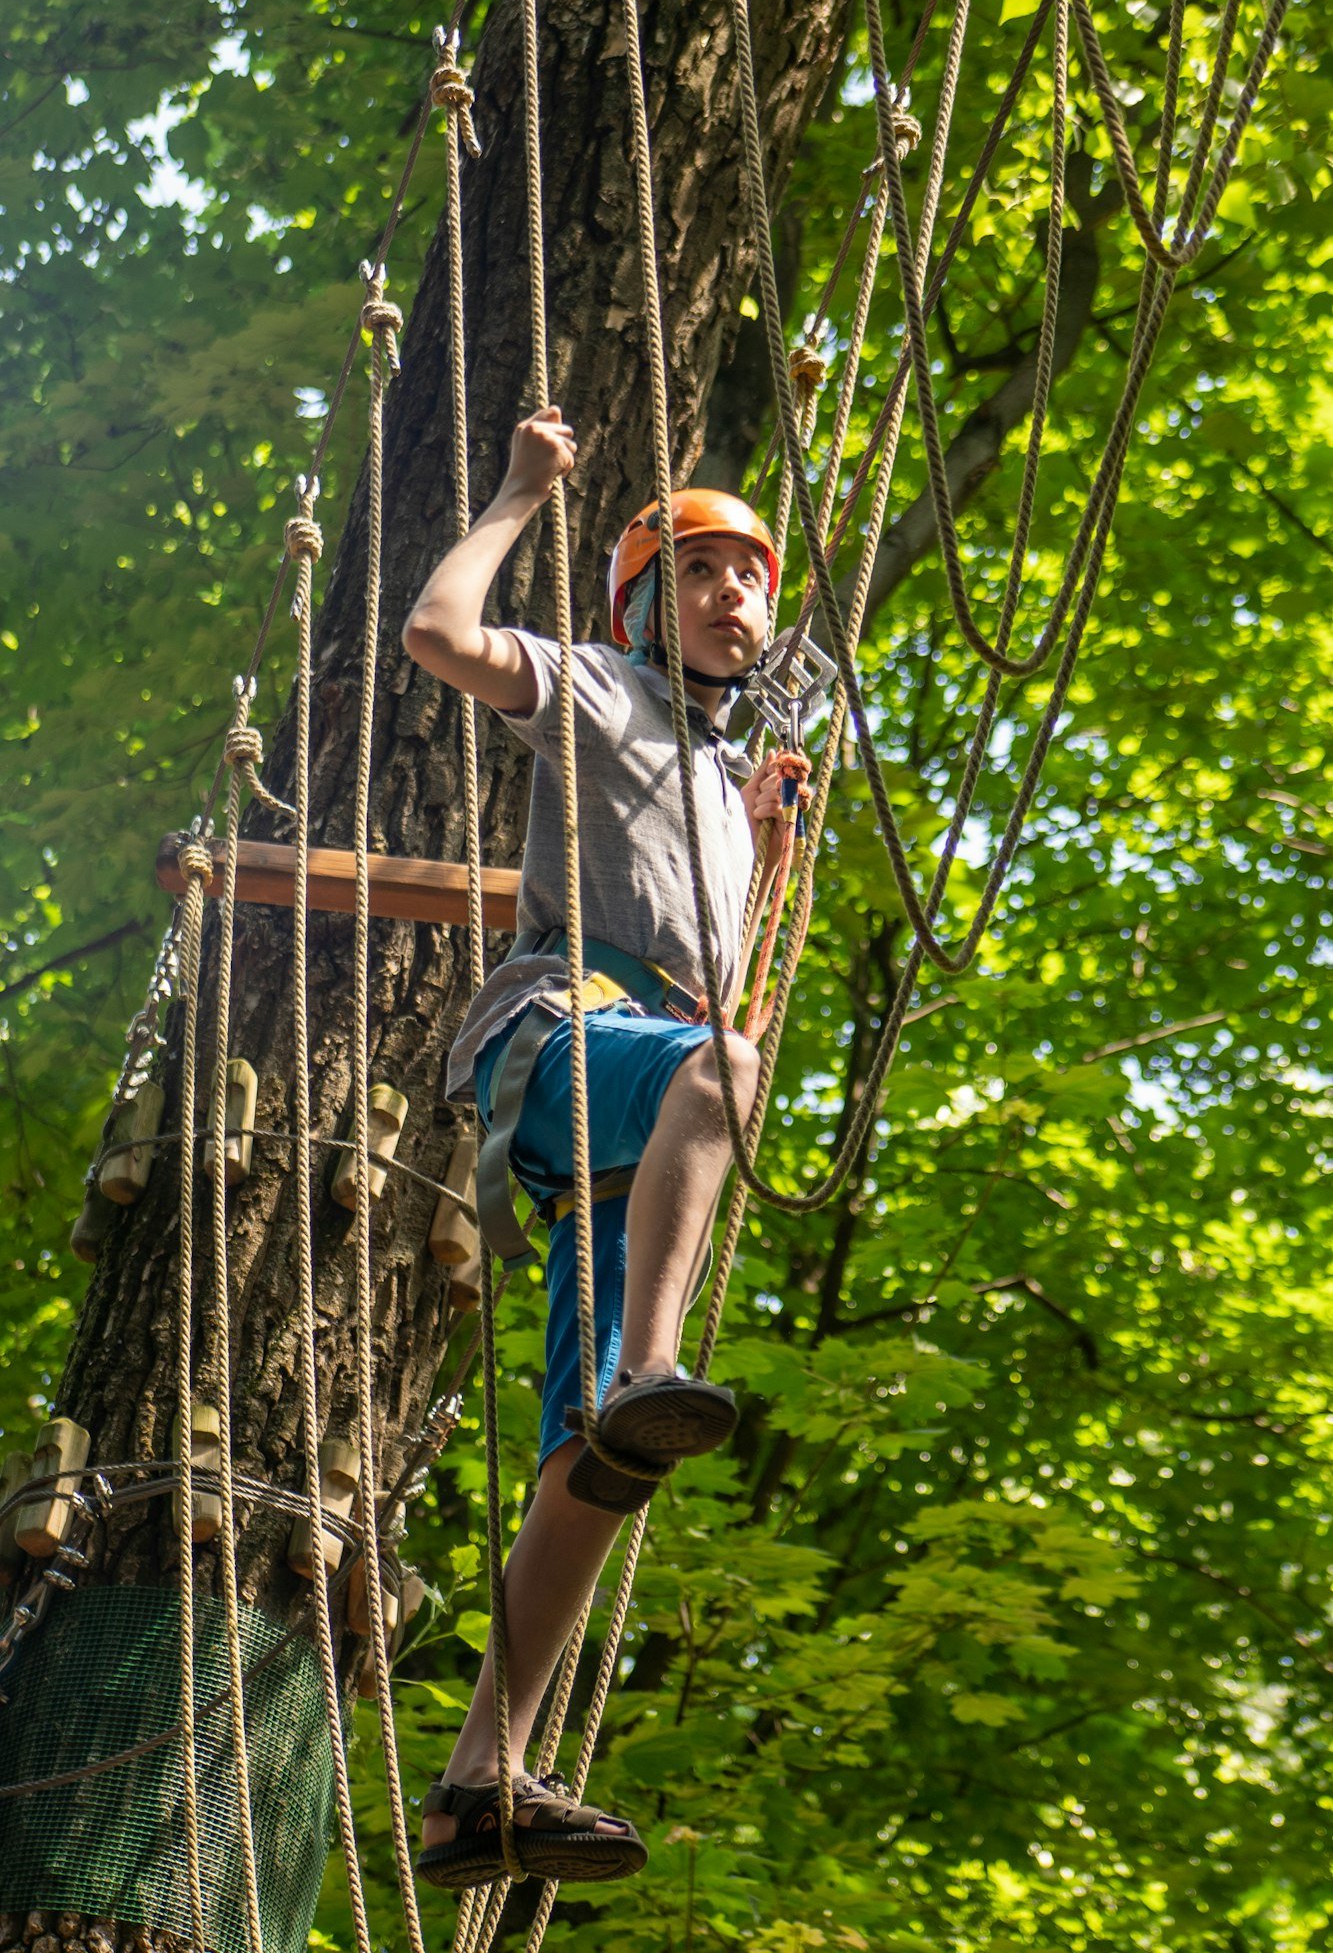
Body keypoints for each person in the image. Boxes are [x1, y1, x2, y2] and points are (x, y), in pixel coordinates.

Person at [401, 404, 810, 1891]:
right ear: (643, 599)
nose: (731, 599)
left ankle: (477, 1786)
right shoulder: (588, 688)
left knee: (597, 1463)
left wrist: (761, 869)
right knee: (725, 1066)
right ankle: (651, 1367)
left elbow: (717, 1002)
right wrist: (518, 491)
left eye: (749, 579)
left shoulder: (723, 774)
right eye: (699, 574)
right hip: (560, 1031)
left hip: (641, 1086)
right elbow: (440, 634)